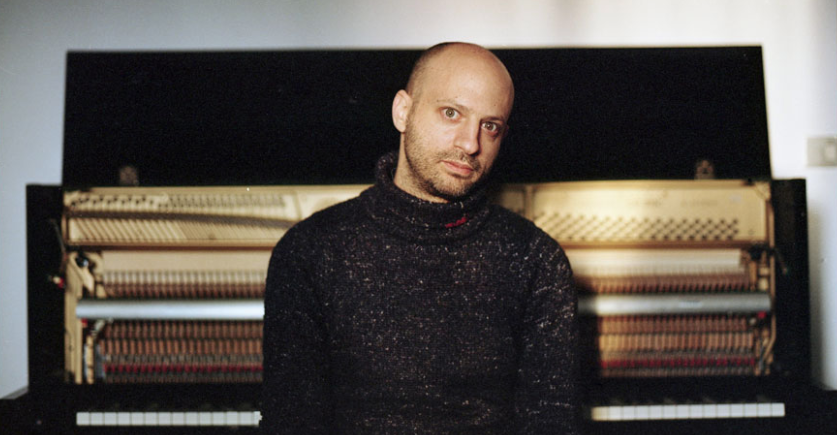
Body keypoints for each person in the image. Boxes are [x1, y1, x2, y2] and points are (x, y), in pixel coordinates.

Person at [262, 42, 578, 434]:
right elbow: (291, 422)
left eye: (490, 126)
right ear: (403, 111)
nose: (470, 144)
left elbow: (551, 423)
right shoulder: (311, 251)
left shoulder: (535, 259)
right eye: (451, 113)